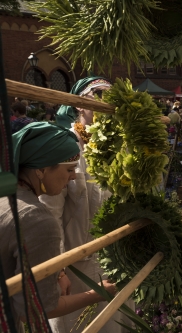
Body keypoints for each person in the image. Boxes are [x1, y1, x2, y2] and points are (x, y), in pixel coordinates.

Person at [0, 123, 117, 330]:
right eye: (69, 169)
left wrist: (58, 273)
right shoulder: (37, 219)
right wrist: (97, 292)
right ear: (41, 170)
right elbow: (35, 309)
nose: (73, 176)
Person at [41, 77, 132, 333]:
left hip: (113, 260)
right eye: (99, 95)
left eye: (111, 96)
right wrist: (57, 269)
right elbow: (49, 214)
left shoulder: (119, 146)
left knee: (114, 324)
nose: (107, 102)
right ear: (80, 104)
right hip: (74, 265)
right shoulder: (65, 146)